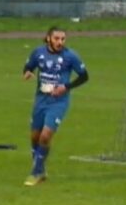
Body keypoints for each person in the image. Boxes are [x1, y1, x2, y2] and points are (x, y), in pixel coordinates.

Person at [22, 26, 89, 186]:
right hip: (41, 100)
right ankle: (40, 168)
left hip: (58, 102)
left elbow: (84, 76)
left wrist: (66, 87)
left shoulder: (70, 56)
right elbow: (28, 67)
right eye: (57, 38)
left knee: (45, 136)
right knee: (35, 137)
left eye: (63, 39)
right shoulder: (38, 53)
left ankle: (36, 172)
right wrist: (27, 72)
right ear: (48, 38)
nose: (60, 42)